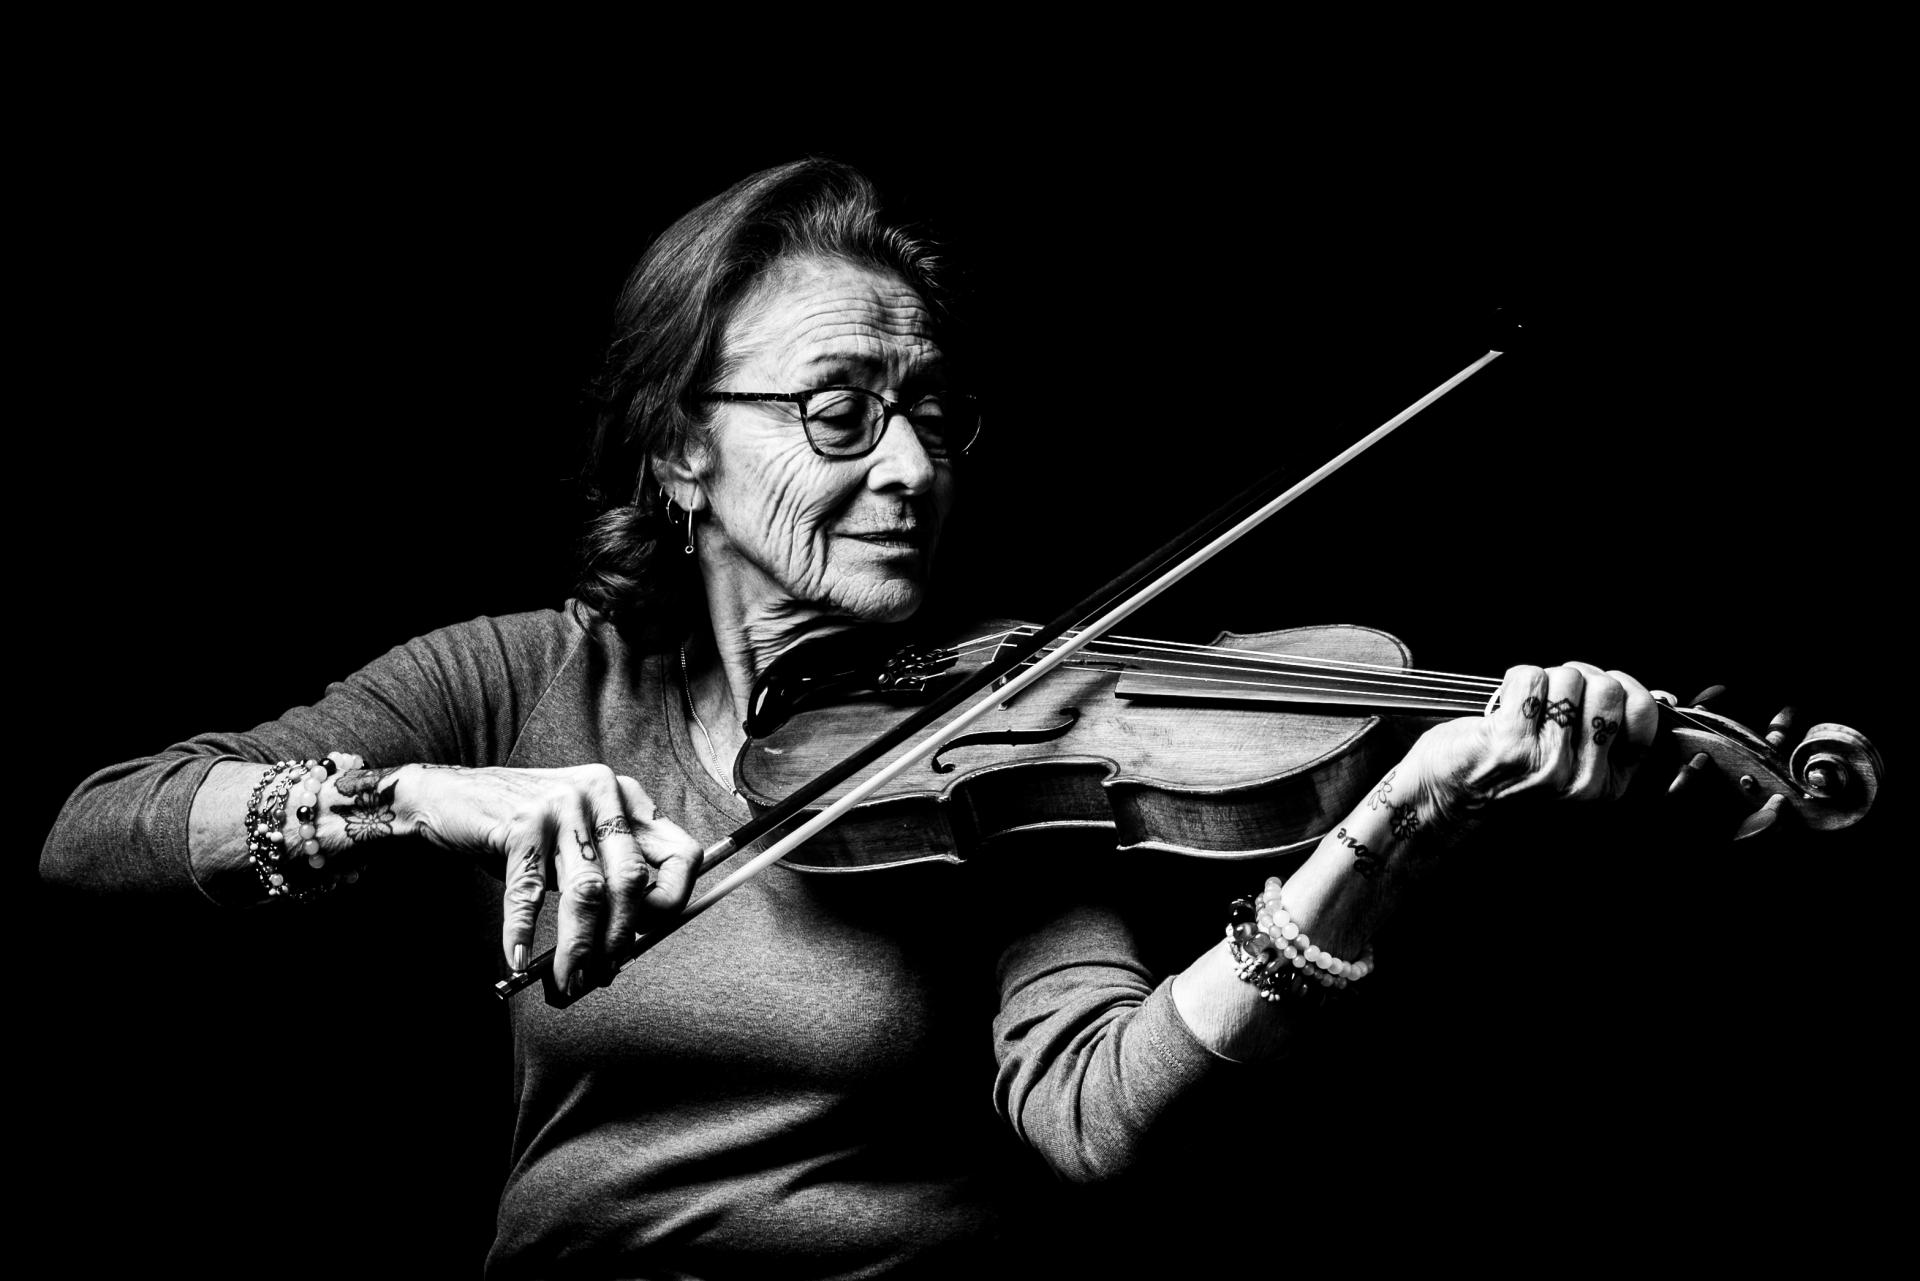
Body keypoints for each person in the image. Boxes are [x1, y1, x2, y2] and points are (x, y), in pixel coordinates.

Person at [41, 158, 1660, 1278]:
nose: (911, 466)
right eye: (840, 413)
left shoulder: (1016, 737)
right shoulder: (529, 680)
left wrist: (1380, 835)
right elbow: (99, 828)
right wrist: (434, 797)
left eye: (934, 413)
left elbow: (1096, 1111)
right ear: (681, 449)